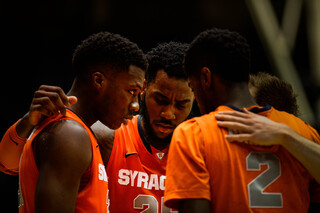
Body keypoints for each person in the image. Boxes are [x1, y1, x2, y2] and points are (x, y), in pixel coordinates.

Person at [0, 42, 194, 212]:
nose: (168, 113)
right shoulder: (97, 134)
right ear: (145, 90)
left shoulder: (201, 149)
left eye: (181, 104)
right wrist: (28, 121)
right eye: (160, 100)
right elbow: (7, 164)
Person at [163, 28, 320, 212]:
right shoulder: (302, 131)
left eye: (192, 86)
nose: (195, 96)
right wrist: (286, 134)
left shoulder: (193, 134)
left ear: (206, 77)